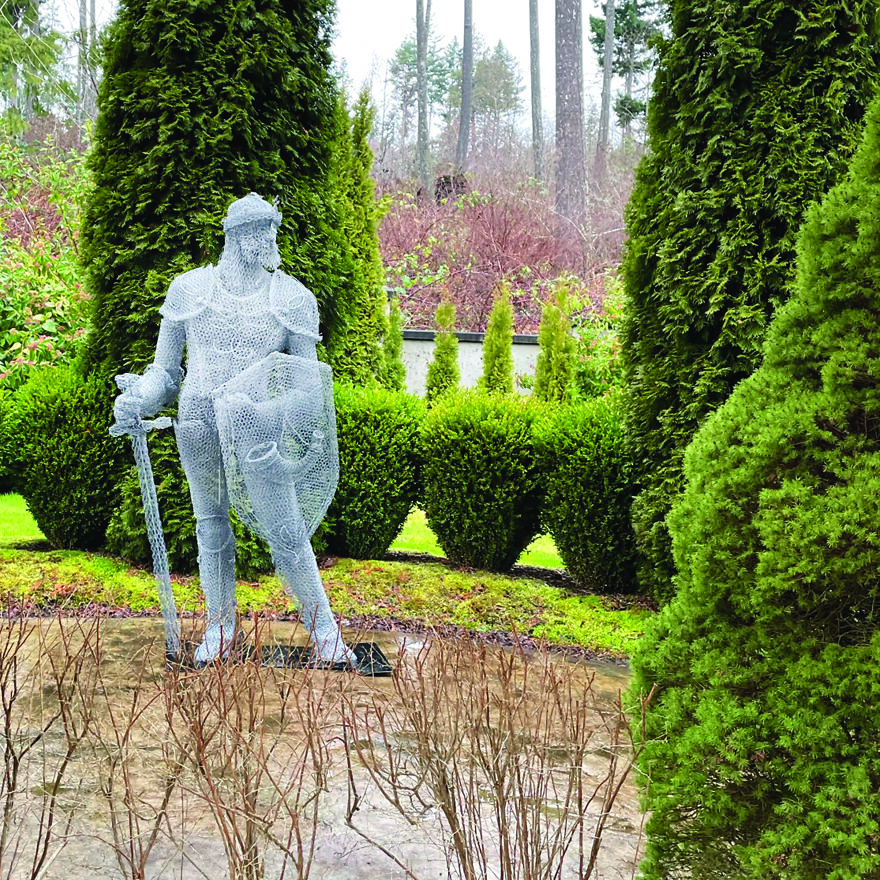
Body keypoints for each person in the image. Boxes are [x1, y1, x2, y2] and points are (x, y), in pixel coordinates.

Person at [113, 193, 355, 668]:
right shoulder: (189, 290)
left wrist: (267, 412)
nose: (269, 239)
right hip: (200, 418)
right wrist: (138, 397)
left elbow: (309, 388)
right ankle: (221, 624)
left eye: (272, 229)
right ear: (236, 235)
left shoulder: (292, 298)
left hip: (255, 427)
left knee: (285, 528)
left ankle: (324, 628)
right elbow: (165, 373)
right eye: (259, 230)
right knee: (210, 522)